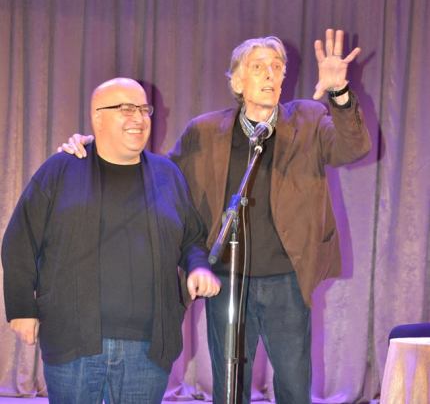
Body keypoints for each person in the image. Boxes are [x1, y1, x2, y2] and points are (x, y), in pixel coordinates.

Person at [59, 29, 371, 403]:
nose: (270, 74)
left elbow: (353, 148)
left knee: (293, 384)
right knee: (229, 384)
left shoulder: (309, 119)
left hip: (288, 279)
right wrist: (100, 147)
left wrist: (339, 94)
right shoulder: (205, 131)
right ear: (237, 81)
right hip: (226, 278)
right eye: (258, 67)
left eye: (277, 67)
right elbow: (158, 175)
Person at [2, 77, 221, 404]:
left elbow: (192, 238)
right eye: (126, 109)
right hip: (73, 342)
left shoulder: (167, 175)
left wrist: (198, 266)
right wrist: (21, 308)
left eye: (144, 109)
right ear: (97, 118)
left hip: (148, 348)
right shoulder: (61, 169)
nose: (139, 118)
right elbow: (20, 241)